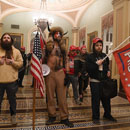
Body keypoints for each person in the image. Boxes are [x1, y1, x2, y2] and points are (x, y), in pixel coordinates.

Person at [44, 27, 74, 127]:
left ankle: (64, 117)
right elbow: (42, 59)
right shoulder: (47, 47)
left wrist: (68, 74)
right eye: (56, 34)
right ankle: (52, 115)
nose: (58, 35)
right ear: (52, 35)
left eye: (60, 34)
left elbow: (66, 60)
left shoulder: (63, 48)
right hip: (49, 73)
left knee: (62, 97)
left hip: (61, 72)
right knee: (50, 96)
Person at [86, 37, 116, 123]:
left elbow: (106, 67)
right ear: (93, 46)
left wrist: (108, 71)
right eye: (97, 45)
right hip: (95, 82)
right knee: (96, 100)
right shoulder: (89, 57)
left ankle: (107, 114)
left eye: (100, 45)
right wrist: (96, 64)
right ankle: (95, 117)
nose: (99, 47)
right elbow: (88, 69)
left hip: (104, 82)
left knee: (106, 99)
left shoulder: (104, 56)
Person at [0, 33, 23, 125]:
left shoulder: (16, 51)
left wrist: (13, 62)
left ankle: (13, 116)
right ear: (1, 40)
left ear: (11, 40)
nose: (6, 39)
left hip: (12, 82)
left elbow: (21, 64)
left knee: (12, 101)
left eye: (8, 38)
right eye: (4, 37)